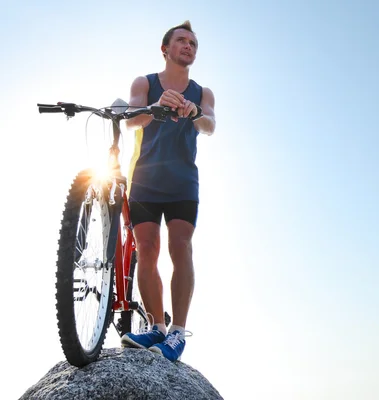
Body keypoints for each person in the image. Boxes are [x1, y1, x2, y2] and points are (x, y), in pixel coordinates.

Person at [119, 20, 216, 362]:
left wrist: (193, 114)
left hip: (182, 182)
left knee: (180, 246)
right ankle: (158, 326)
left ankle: (177, 334)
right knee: (146, 248)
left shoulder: (202, 93)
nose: (189, 46)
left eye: (193, 43)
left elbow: (210, 125)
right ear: (165, 49)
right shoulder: (144, 83)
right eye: (182, 41)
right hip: (144, 178)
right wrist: (155, 105)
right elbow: (130, 118)